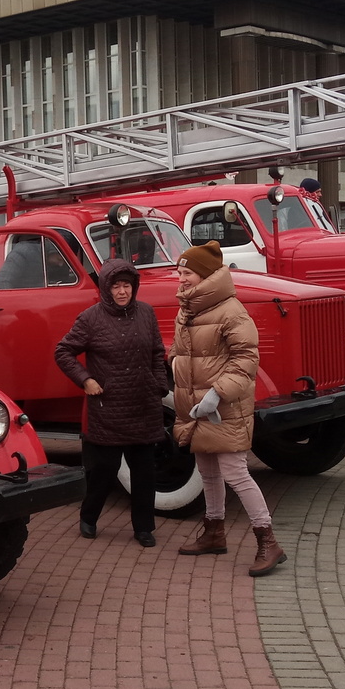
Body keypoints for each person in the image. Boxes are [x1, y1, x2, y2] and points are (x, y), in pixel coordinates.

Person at [169, 242, 285, 577]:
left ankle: (268, 541)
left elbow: (246, 359)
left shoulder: (231, 311)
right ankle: (214, 532)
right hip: (195, 405)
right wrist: (174, 364)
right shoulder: (187, 309)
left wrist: (217, 394)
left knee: (235, 472)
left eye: (186, 273)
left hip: (223, 406)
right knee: (206, 469)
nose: (180, 279)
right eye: (179, 273)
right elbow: (181, 350)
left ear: (204, 275)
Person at [54, 259, 168, 548]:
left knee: (144, 473)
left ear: (134, 287)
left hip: (143, 406)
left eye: (126, 285)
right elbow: (64, 352)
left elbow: (157, 351)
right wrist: (85, 380)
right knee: (104, 471)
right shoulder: (90, 318)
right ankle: (89, 517)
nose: (121, 291)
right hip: (108, 409)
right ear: (106, 287)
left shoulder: (146, 313)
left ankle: (144, 528)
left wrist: (159, 384)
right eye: (116, 286)